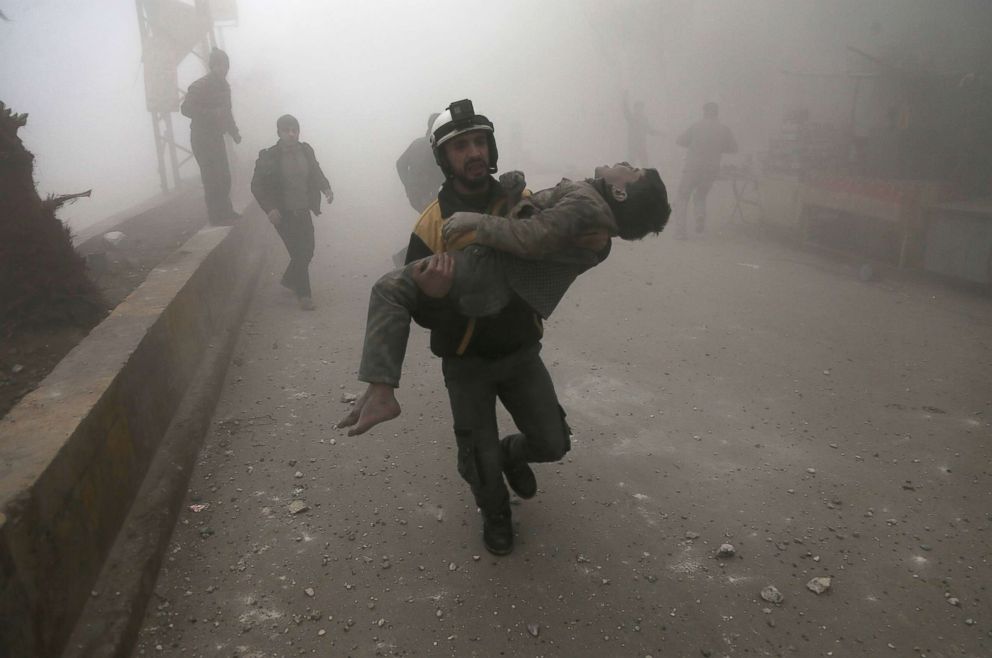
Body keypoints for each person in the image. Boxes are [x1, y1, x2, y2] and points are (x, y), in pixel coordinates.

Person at [339, 99, 668, 556]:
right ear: (444, 158)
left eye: (479, 142)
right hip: (466, 361)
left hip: (519, 353)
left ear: (490, 148)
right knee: (479, 461)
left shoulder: (515, 199)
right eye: (460, 147)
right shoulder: (431, 224)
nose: (472, 153)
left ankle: (513, 455)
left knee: (553, 442)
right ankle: (495, 513)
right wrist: (436, 300)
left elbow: (556, 238)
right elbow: (416, 309)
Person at [250, 114, 333, 310]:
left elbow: (315, 171)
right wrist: (269, 209)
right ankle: (304, 295)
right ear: (279, 133)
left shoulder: (306, 150)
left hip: (303, 209)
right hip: (283, 215)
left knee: (308, 250)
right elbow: (256, 186)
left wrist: (326, 188)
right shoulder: (269, 156)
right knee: (298, 252)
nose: (291, 134)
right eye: (286, 130)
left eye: (294, 130)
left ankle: (288, 280)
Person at [180, 48, 242, 226]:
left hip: (216, 137)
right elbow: (186, 109)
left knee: (224, 176)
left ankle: (226, 212)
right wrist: (210, 114)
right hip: (201, 138)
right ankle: (216, 217)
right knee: (211, 177)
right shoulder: (200, 85)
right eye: (220, 65)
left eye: (226, 66)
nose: (224, 69)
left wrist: (234, 132)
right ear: (213, 66)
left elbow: (227, 113)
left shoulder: (224, 87)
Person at [673, 102, 738, 239]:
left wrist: (694, 144)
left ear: (704, 112)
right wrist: (718, 147)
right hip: (711, 169)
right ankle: (700, 216)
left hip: (693, 167)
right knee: (701, 195)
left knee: (683, 196)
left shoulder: (696, 126)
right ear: (717, 113)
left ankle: (680, 232)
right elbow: (734, 148)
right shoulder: (724, 129)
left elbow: (680, 141)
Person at [396, 113, 445, 213]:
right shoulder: (438, 144)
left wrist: (408, 185)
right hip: (432, 195)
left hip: (416, 196)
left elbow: (400, 164)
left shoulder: (417, 143)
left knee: (430, 222)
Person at [622, 90, 662, 167]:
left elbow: (650, 131)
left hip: (642, 146)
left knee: (645, 165)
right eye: (638, 107)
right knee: (631, 166)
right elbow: (626, 111)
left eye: (641, 108)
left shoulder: (644, 119)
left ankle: (645, 178)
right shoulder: (632, 118)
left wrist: (660, 133)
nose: (640, 109)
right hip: (632, 146)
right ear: (635, 108)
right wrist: (624, 98)